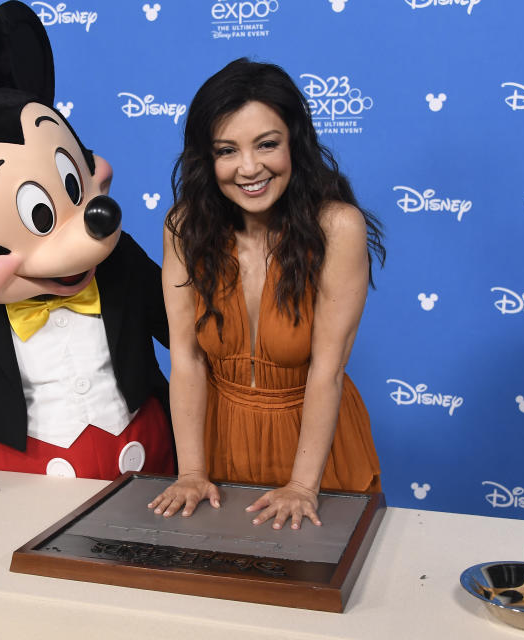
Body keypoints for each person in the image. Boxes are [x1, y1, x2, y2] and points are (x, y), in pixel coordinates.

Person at [148, 58, 385, 530]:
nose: (249, 167)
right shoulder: (183, 228)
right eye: (227, 150)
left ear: (294, 143)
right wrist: (192, 472)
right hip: (220, 445)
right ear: (206, 158)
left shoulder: (337, 227)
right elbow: (187, 361)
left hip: (317, 455)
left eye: (267, 144)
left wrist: (302, 486)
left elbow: (328, 369)